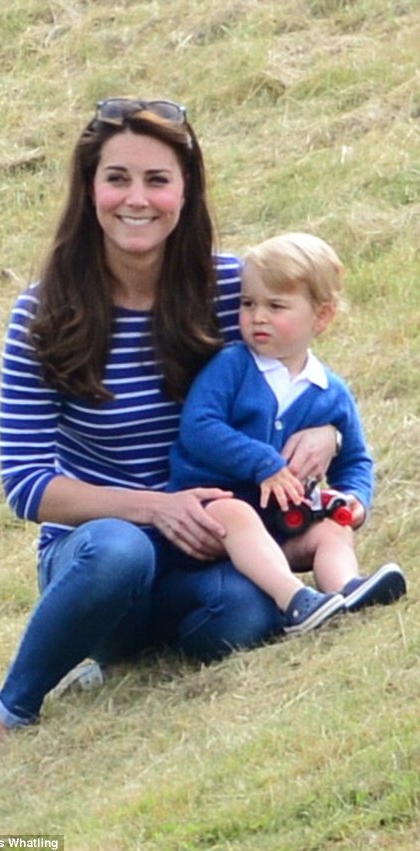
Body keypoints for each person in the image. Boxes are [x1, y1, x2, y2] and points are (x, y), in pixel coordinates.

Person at [0, 99, 340, 772]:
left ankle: (109, 649)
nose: (138, 199)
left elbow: (301, 371)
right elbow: (26, 483)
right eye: (117, 178)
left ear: (185, 191)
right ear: (89, 188)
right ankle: (1, 718)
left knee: (244, 617)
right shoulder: (41, 313)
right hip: (99, 545)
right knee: (121, 552)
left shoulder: (232, 286)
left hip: (209, 548)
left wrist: (329, 431)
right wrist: (154, 505)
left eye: (157, 180)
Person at [167, 232, 407, 634]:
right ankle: (295, 601)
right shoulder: (232, 366)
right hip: (214, 511)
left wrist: (354, 500)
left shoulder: (330, 391)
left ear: (322, 316)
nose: (257, 316)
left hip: (282, 527)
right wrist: (264, 464)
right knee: (238, 513)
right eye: (248, 304)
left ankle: (345, 589)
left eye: (275, 306)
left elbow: (356, 459)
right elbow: (198, 427)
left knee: (332, 529)